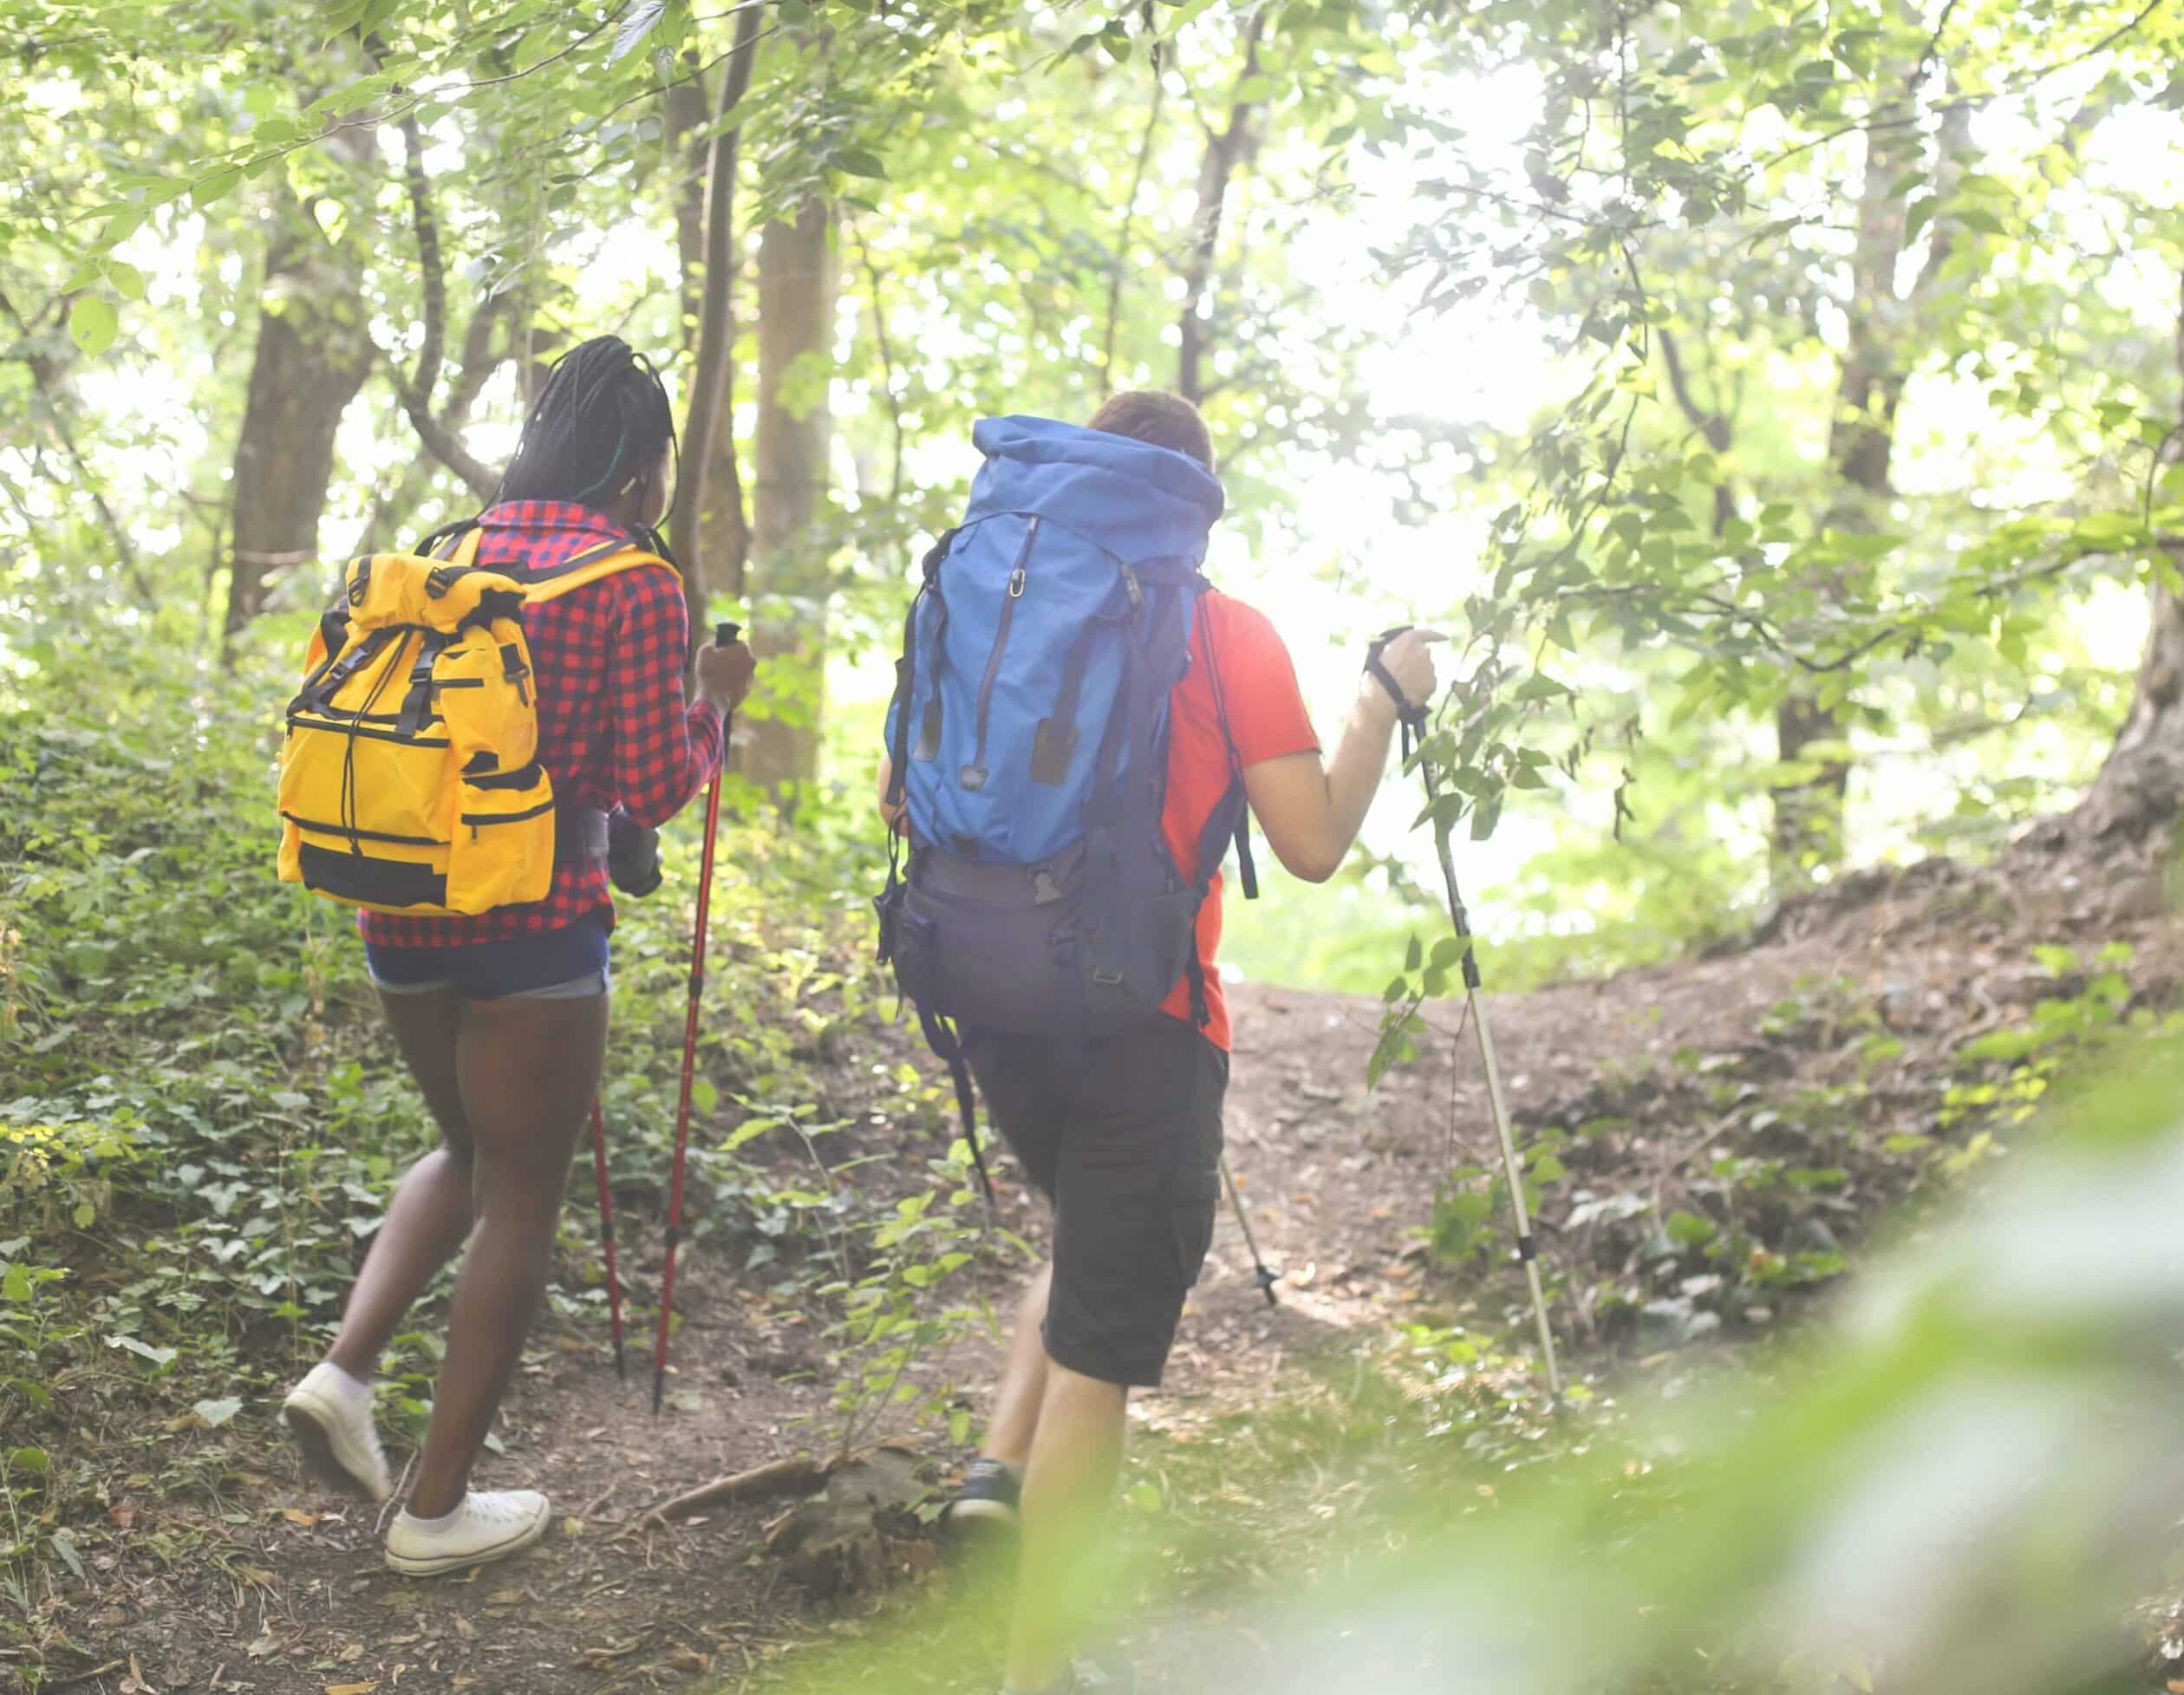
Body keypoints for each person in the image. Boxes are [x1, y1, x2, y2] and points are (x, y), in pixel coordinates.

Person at [877, 389, 1438, 1695]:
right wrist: (1379, 703)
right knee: (1107, 1354)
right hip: (1149, 1022)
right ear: (1190, 498)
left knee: (1091, 1249)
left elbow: (906, 789)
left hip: (991, 995)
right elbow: (1309, 842)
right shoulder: (1223, 629)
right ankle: (1039, 1667)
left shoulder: (981, 592)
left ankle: (994, 1477)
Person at [281, 337, 757, 1578]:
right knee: (522, 1193)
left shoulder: (448, 550)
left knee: (461, 1145)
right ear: (642, 471)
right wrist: (715, 701)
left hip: (398, 908)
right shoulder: (634, 579)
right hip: (534, 926)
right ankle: (435, 1512)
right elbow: (650, 779)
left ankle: (343, 1372)